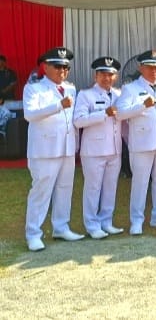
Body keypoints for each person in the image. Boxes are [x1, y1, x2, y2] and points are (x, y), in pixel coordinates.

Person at [23, 47, 83, 251]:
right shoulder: (34, 88)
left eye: (66, 67)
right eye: (58, 66)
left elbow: (71, 119)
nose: (62, 71)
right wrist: (58, 105)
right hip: (44, 149)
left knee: (65, 189)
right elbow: (30, 114)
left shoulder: (70, 88)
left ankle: (61, 227)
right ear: (45, 67)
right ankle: (33, 233)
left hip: (67, 147)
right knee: (41, 191)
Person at [116, 50, 156, 235]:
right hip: (142, 142)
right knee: (140, 183)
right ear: (141, 68)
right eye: (150, 67)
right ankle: (136, 220)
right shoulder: (130, 88)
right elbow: (120, 113)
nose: (154, 71)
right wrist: (142, 106)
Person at [72, 56, 125, 239]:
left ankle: (106, 221)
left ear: (115, 77)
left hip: (115, 148)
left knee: (110, 187)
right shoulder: (85, 95)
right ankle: (92, 225)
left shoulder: (119, 94)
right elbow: (78, 121)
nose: (106, 78)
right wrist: (103, 113)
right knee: (93, 189)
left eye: (110, 74)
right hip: (94, 150)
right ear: (96, 76)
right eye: (102, 74)